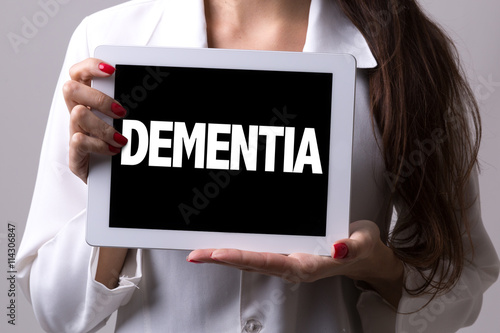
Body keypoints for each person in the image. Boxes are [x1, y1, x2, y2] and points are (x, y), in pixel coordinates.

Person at [16, 0, 499, 332]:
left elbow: (462, 286)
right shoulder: (107, 43)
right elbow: (56, 313)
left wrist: (378, 266)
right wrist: (121, 192)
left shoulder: (412, 60)